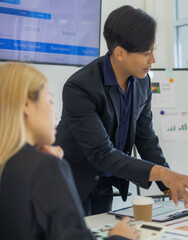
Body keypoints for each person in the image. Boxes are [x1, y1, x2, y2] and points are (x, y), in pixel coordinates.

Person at [55, 5, 188, 216]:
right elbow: (101, 152)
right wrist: (162, 173)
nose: (153, 60)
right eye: (147, 53)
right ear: (120, 53)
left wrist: (168, 183)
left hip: (105, 184)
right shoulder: (80, 87)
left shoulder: (142, 83)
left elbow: (146, 138)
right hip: (71, 185)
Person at [0, 63, 139, 240]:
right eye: (50, 101)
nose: (56, 115)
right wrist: (119, 237)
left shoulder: (13, 164)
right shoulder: (45, 167)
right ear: (27, 105)